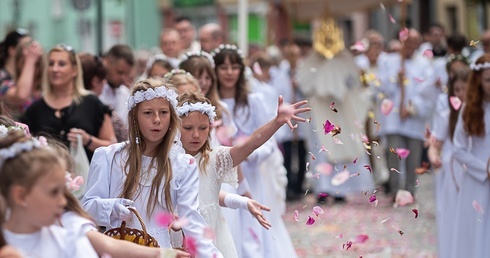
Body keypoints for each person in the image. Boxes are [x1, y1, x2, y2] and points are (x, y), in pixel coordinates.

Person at [82, 78, 223, 258]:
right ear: (134, 117)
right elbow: (87, 207)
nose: (157, 120)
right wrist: (113, 207)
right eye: (148, 113)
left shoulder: (182, 164)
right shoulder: (109, 156)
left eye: (163, 112)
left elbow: (192, 221)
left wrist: (212, 255)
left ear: (171, 117)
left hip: (160, 249)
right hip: (119, 246)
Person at [176, 92, 309, 257]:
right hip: (180, 233)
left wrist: (276, 122)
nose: (196, 134)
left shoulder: (214, 159)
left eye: (203, 128)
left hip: (213, 234)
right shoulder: (169, 162)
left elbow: (248, 146)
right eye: (188, 128)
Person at [213, 44, 297, 258]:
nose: (229, 72)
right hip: (222, 176)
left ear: (242, 70)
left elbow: (270, 141)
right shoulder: (213, 104)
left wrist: (249, 153)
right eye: (223, 67)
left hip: (251, 173)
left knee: (253, 225)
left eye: (234, 67)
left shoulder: (253, 101)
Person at [0, 130, 98, 258]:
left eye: (63, 191)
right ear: (21, 196)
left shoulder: (70, 241)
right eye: (54, 192)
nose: (63, 201)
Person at [21, 44, 116, 160]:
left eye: (61, 64)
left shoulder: (92, 103)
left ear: (74, 70)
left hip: (86, 175)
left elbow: (112, 145)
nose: (55, 69)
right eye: (51, 64)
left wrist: (89, 140)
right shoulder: (35, 109)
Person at [449, 54, 490, 258]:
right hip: (477, 178)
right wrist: (484, 169)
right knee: (477, 229)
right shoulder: (470, 108)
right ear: (479, 81)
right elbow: (458, 148)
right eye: (488, 80)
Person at [428, 66, 469, 258]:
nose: (461, 94)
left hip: (473, 169)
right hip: (451, 170)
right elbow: (435, 145)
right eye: (457, 90)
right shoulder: (447, 117)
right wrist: (434, 157)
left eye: (465, 89)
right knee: (452, 217)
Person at [79, 53, 128, 142]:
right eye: (102, 79)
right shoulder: (102, 109)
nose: (105, 83)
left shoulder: (103, 108)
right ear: (95, 81)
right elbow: (121, 139)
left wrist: (89, 141)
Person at [0, 40, 43, 120]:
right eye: (24, 62)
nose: (33, 68)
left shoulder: (45, 91)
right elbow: (21, 96)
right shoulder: (6, 86)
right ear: (17, 63)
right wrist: (30, 60)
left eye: (36, 63)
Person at [100, 44, 134, 127]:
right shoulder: (95, 92)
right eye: (120, 72)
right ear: (106, 63)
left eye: (127, 74)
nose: (124, 78)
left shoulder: (126, 94)